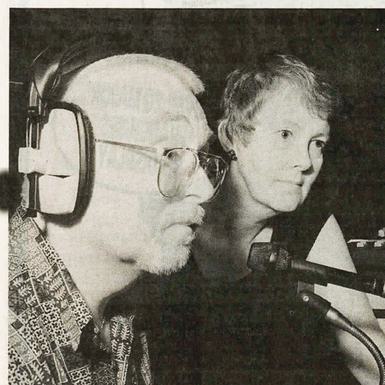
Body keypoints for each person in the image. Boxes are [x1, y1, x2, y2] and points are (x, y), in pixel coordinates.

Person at [8, 45, 228, 385]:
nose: (205, 191)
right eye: (171, 154)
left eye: (200, 158)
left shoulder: (122, 320)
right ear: (63, 161)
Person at [161, 53, 385, 385]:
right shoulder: (169, 216)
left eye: (317, 143)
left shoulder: (310, 227)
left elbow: (373, 361)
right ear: (231, 136)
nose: (305, 161)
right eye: (285, 134)